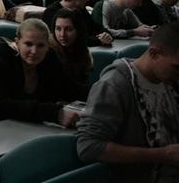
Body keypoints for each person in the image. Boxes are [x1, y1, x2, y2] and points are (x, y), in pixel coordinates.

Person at [76, 23, 179, 183]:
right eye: (177, 67)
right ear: (154, 53)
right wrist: (161, 155)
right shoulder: (115, 85)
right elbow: (89, 147)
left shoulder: (169, 79)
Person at [0, 19, 81, 127]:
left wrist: (94, 93)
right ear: (17, 42)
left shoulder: (49, 59)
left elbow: (68, 88)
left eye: (40, 45)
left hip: (33, 127)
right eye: (28, 44)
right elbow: (0, 105)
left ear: (47, 46)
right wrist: (54, 113)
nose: (34, 51)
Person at [42, 0, 113, 47]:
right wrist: (99, 40)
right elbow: (69, 40)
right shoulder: (51, 12)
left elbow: (96, 27)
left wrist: (106, 35)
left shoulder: (80, 9)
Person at [50, 8, 92, 101]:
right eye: (58, 29)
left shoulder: (83, 53)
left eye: (69, 29)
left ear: (78, 30)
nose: (62, 35)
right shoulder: (50, 53)